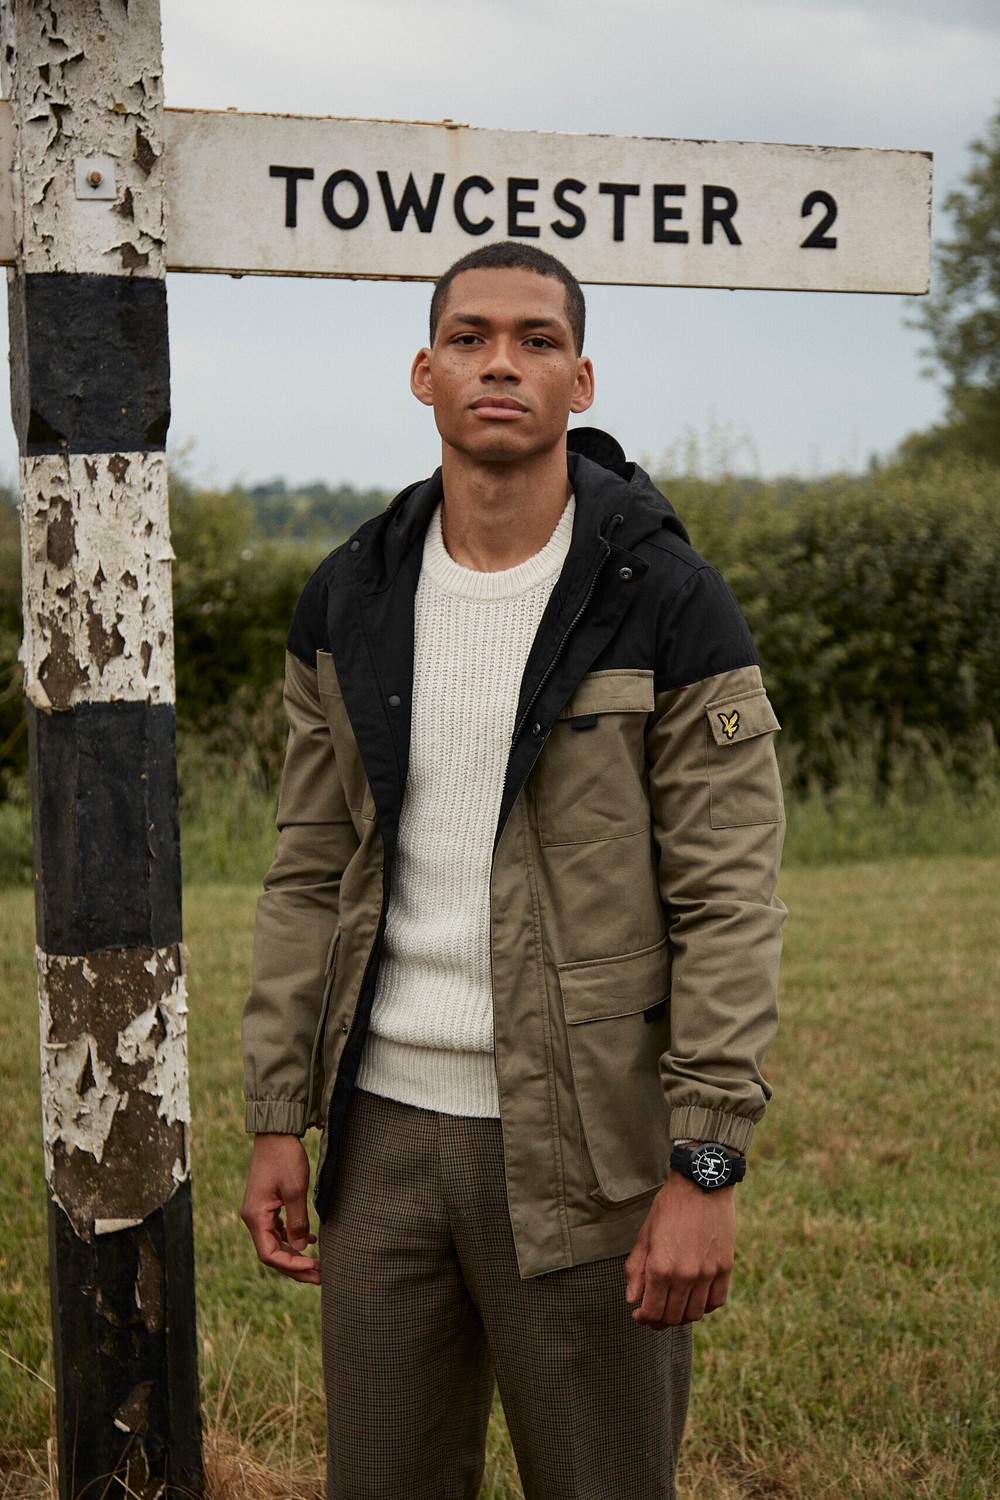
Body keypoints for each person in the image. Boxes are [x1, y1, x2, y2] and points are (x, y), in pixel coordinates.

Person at [240, 241, 785, 1500]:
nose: (501, 362)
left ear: (579, 382)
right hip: (380, 1137)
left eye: (537, 340)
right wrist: (276, 1112)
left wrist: (705, 1162)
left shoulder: (666, 599)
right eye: (470, 337)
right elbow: (307, 870)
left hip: (585, 1146)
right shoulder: (349, 596)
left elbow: (728, 899)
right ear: (423, 372)